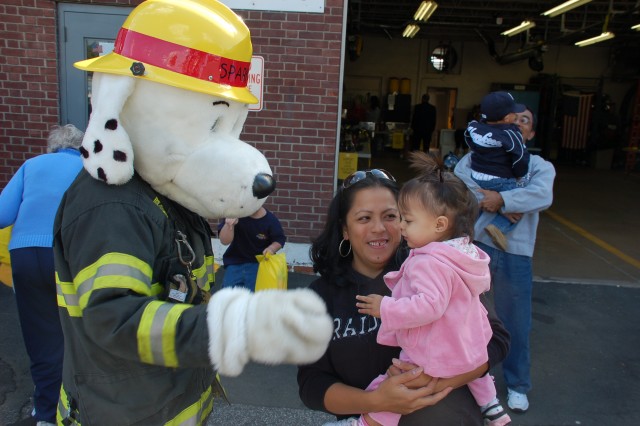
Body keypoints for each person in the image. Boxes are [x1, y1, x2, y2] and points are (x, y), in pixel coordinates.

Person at [297, 168, 511, 425]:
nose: (380, 228)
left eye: (391, 216)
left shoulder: (439, 268)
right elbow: (312, 385)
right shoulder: (319, 298)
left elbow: (495, 341)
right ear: (345, 229)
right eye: (364, 218)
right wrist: (377, 402)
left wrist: (434, 383)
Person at [455, 105, 556, 414]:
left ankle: (517, 385)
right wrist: (501, 205)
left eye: (524, 120)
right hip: (479, 247)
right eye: (512, 119)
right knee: (465, 317)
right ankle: (464, 377)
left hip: (516, 254)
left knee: (515, 322)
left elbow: (543, 195)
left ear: (531, 133)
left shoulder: (539, 166)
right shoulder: (474, 158)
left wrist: (503, 198)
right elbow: (460, 186)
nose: (517, 123)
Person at [0, 124, 84, 426]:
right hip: (66, 256)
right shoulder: (87, 170)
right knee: (73, 333)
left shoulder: (30, 166)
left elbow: (3, 215)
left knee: (41, 339)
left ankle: (45, 413)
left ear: (53, 146)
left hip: (24, 254)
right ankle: (75, 407)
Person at [464, 91, 529, 251]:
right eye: (514, 113)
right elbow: (520, 158)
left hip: (477, 175)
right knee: (519, 200)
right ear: (507, 118)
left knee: (475, 209)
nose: (516, 116)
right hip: (499, 179)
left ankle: (468, 235)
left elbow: (467, 138)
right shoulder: (510, 134)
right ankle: (498, 227)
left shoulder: (475, 127)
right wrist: (518, 174)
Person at [217, 206, 286, 291]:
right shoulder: (236, 214)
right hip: (235, 262)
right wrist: (229, 225)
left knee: (253, 295)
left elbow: (279, 239)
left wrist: (271, 248)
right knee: (227, 295)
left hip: (258, 264)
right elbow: (224, 241)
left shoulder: (270, 220)